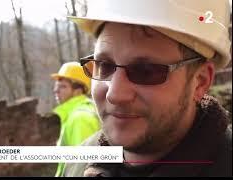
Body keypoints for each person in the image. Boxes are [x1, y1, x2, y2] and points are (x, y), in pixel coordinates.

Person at [63, 0, 232, 177]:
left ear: (200, 81)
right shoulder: (78, 161)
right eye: (104, 65)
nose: (115, 94)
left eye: (146, 71)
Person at [50, 62, 101, 177]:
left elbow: (80, 166)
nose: (56, 90)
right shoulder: (79, 112)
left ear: (78, 90)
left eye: (63, 86)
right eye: (56, 86)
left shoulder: (80, 118)